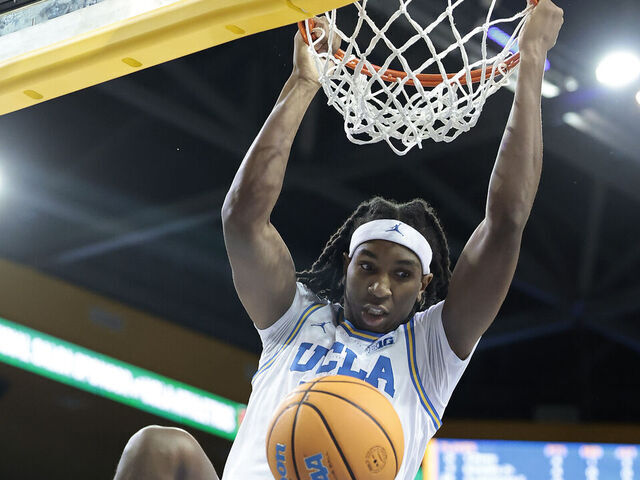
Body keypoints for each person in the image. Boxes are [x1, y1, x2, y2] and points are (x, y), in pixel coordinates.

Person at [112, 1, 564, 478]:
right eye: (368, 265)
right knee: (158, 448)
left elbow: (507, 221)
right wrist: (303, 82)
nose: (381, 286)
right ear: (346, 263)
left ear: (426, 284)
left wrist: (531, 58)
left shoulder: (432, 351)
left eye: (402, 274)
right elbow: (242, 219)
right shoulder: (295, 319)